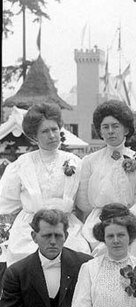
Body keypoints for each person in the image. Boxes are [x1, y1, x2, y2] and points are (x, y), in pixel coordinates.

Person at [0, 103, 89, 265]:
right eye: (45, 131)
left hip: (66, 227)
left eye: (54, 129)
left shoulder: (75, 162)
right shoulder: (22, 164)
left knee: (78, 254)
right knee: (25, 260)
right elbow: (6, 201)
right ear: (34, 136)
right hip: (31, 229)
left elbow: (83, 202)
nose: (52, 135)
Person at [76, 100, 136, 255]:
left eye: (115, 126)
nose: (110, 131)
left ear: (126, 129)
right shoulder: (90, 161)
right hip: (99, 219)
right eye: (105, 127)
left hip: (130, 219)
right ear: (100, 131)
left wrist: (127, 217)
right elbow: (83, 201)